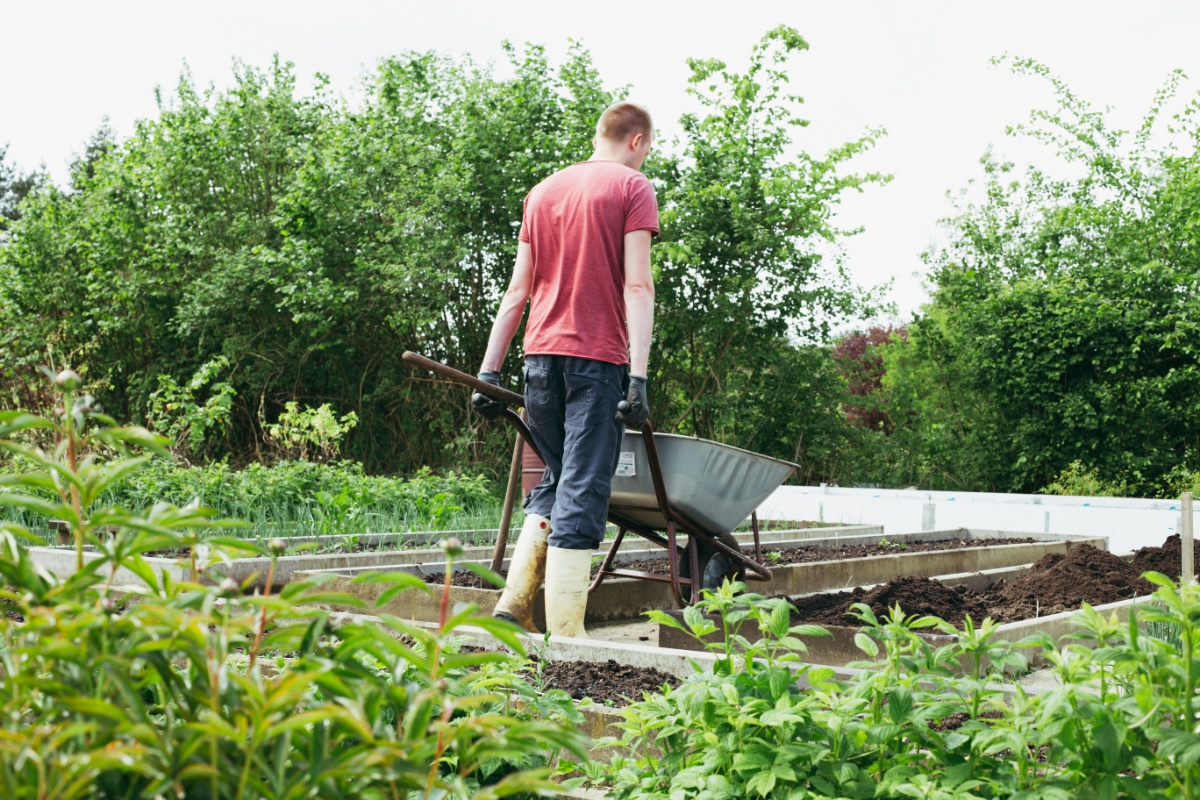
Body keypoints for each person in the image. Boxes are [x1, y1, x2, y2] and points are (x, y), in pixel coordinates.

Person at [472, 101, 659, 639]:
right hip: (596, 362)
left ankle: (514, 604)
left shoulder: (543, 191)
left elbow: (517, 290)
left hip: (538, 363)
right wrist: (639, 376)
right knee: (584, 487)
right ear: (637, 141)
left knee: (555, 477)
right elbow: (638, 286)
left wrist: (489, 372)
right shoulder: (631, 188)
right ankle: (568, 635)